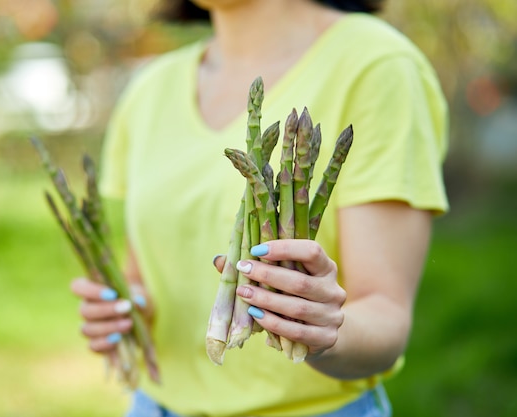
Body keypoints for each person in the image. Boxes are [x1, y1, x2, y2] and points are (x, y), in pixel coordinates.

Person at [70, 0, 449, 416]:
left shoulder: (378, 63)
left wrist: (320, 330)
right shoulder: (149, 87)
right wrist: (126, 309)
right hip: (152, 406)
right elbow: (142, 278)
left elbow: (385, 317)